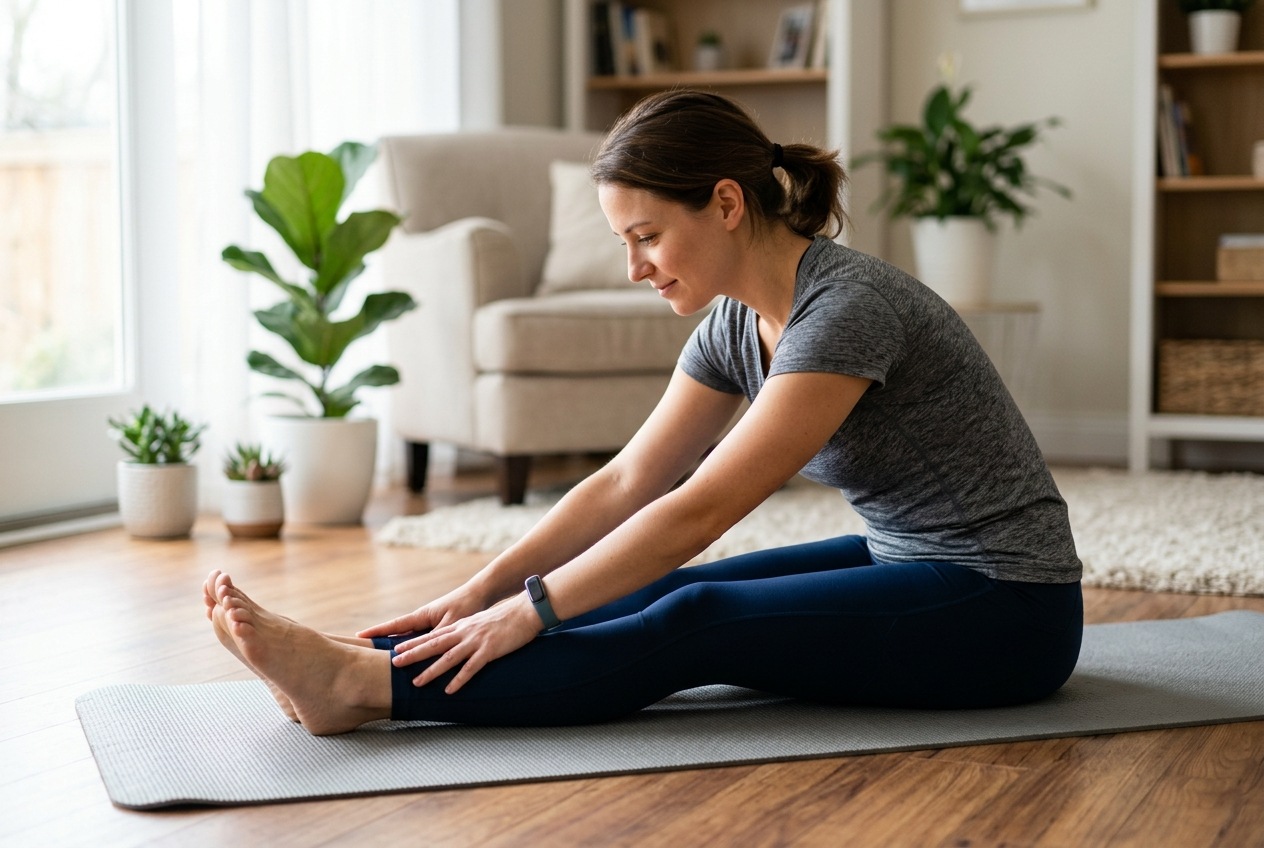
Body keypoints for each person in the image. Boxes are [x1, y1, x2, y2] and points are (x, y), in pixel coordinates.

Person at [204, 89, 1083, 736]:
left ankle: (364, 689)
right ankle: (377, 667)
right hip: (909, 559)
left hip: (1006, 608)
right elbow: (628, 479)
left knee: (693, 623)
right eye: (623, 243)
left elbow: (697, 509)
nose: (635, 269)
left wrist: (531, 610)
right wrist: (479, 591)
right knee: (667, 588)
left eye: (647, 237)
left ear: (728, 204)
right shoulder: (738, 323)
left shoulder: (845, 311)